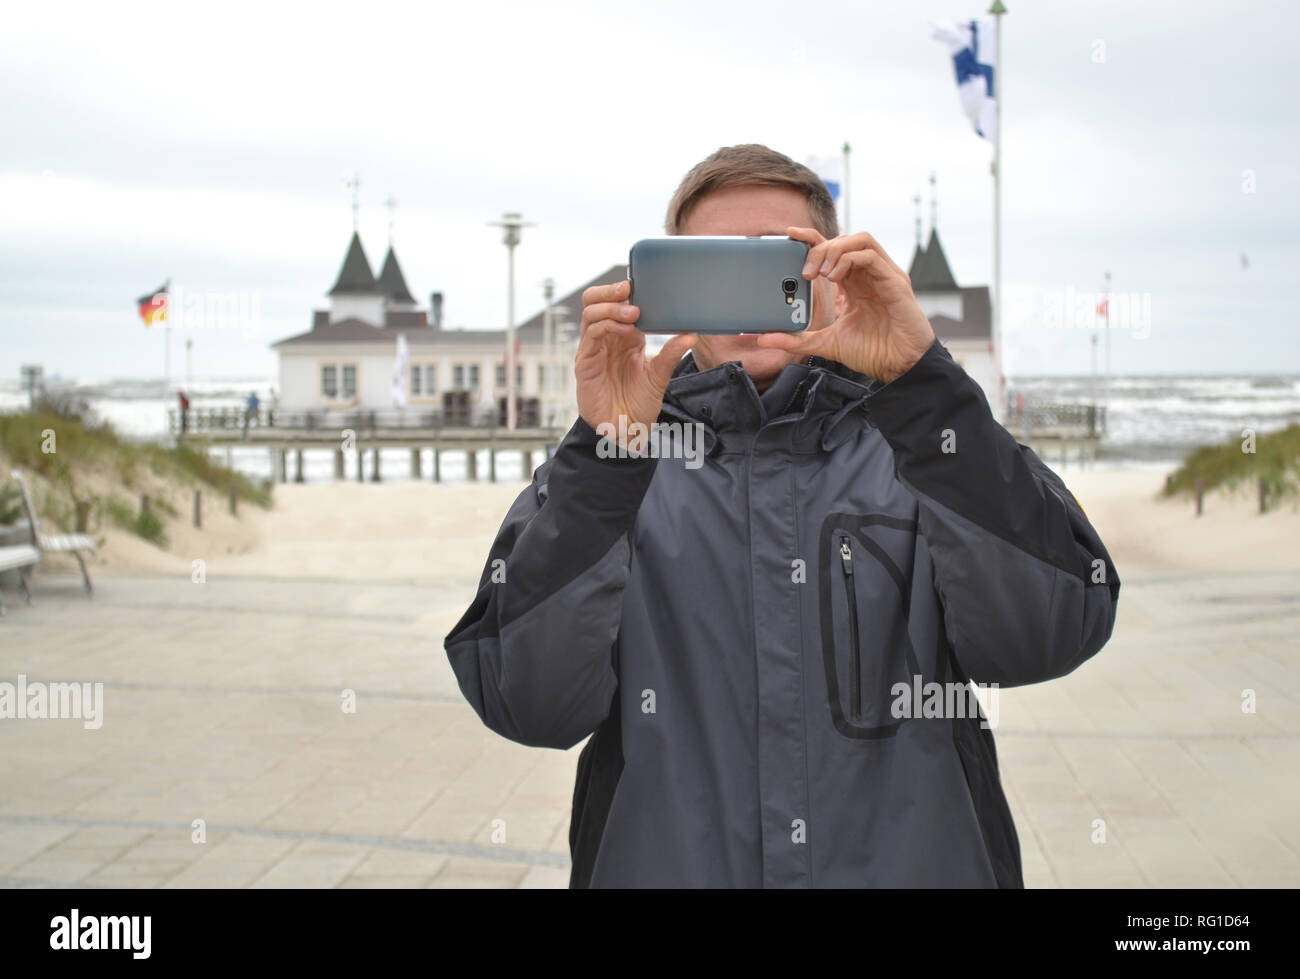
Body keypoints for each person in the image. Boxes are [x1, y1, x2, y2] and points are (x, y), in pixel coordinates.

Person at [444, 144, 1120, 888]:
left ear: (831, 275)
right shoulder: (614, 471)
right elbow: (525, 702)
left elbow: (1051, 633)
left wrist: (924, 387)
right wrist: (607, 454)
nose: (746, 293)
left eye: (777, 259)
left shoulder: (929, 447)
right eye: (711, 266)